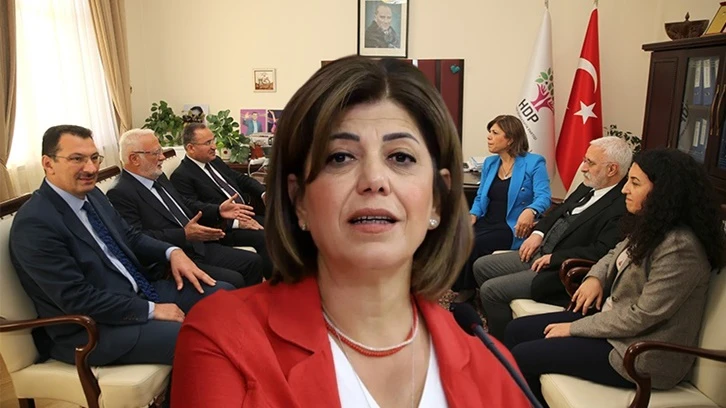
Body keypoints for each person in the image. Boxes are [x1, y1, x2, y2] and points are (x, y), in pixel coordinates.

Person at [170, 56, 531, 407]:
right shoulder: (222, 338)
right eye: (340, 157)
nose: (374, 180)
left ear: (437, 200)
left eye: (401, 157)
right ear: (299, 200)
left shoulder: (496, 369)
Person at [505, 148, 726, 407]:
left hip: (638, 353)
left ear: (664, 192)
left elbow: (643, 316)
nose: (624, 190)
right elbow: (613, 253)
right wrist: (595, 278)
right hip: (615, 327)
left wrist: (573, 329)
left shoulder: (679, 247)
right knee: (516, 330)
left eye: (635, 183)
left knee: (524, 355)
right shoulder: (652, 225)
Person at [9, 125, 233, 367]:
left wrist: (172, 251)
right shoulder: (35, 223)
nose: (91, 168)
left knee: (223, 296)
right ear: (48, 163)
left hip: (138, 291)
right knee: (196, 339)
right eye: (77, 159)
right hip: (94, 329)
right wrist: (150, 310)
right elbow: (76, 298)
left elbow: (130, 236)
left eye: (94, 158)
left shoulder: (93, 195)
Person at [472, 136, 632, 340]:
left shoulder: (622, 205)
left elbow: (601, 250)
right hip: (541, 250)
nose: (583, 168)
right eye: (584, 160)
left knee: (491, 290)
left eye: (590, 163)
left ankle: (501, 343)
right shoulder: (589, 185)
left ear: (611, 169)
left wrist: (554, 258)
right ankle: (499, 318)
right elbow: (559, 211)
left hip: (560, 269)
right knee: (481, 266)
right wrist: (537, 233)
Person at [107, 128, 264, 288]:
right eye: (155, 153)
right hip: (171, 260)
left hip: (197, 245)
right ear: (134, 159)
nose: (162, 157)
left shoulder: (157, 176)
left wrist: (217, 210)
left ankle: (250, 303)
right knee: (233, 280)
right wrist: (183, 234)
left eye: (161, 151)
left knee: (253, 262)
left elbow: (183, 203)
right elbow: (137, 238)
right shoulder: (120, 193)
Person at [452, 114, 551, 303]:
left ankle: (467, 289)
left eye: (495, 133)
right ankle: (459, 284)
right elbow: (480, 196)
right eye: (489, 132)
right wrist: (473, 214)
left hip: (512, 226)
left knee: (475, 242)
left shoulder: (534, 162)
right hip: (488, 219)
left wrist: (530, 210)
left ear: (510, 139)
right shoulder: (491, 163)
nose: (489, 137)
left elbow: (544, 196)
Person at [170, 123, 272, 278]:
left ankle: (288, 273)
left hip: (244, 215)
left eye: (213, 140)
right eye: (207, 143)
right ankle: (273, 283)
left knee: (278, 224)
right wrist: (235, 222)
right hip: (223, 228)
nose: (214, 146)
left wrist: (263, 193)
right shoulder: (181, 176)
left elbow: (240, 179)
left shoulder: (214, 161)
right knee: (264, 236)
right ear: (191, 148)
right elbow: (193, 210)